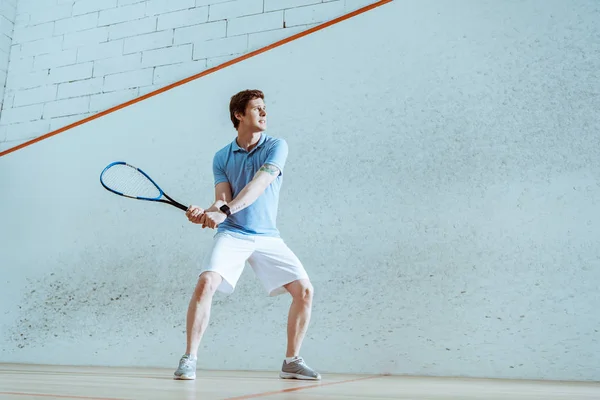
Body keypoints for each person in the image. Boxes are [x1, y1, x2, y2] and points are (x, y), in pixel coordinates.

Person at [173, 89, 321, 381]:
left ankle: (292, 361)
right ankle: (189, 358)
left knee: (304, 292)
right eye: (257, 108)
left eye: (265, 108)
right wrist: (205, 211)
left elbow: (258, 185)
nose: (264, 113)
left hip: (267, 236)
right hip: (234, 234)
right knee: (206, 283)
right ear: (239, 115)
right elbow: (222, 198)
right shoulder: (221, 157)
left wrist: (223, 211)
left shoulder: (276, 146)